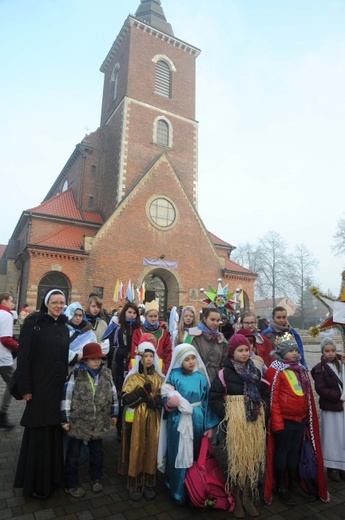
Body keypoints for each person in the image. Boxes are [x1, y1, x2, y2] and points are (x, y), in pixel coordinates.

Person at [14, 288, 69, 499]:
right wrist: (25, 387)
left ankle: (53, 478)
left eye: (61, 302)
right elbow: (24, 357)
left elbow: (63, 358)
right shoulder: (33, 324)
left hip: (56, 389)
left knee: (54, 430)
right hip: (38, 388)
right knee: (38, 432)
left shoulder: (64, 327)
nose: (58, 305)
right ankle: (35, 482)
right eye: (54, 302)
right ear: (46, 303)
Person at [264, 333, 328, 505]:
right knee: (282, 452)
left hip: (299, 419)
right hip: (284, 420)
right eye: (291, 350)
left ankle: (294, 483)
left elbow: (306, 395)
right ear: (282, 352)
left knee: (295, 452)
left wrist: (307, 416)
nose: (295, 353)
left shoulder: (300, 368)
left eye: (296, 350)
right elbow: (273, 400)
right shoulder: (275, 370)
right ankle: (281, 486)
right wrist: (277, 422)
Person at [209, 334, 269, 518]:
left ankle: (248, 496)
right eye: (240, 350)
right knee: (236, 460)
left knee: (251, 459)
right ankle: (236, 495)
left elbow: (265, 392)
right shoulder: (224, 373)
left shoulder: (255, 371)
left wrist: (264, 410)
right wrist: (227, 414)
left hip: (253, 422)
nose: (244, 353)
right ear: (232, 352)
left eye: (246, 350)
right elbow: (214, 397)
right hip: (236, 424)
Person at [158, 343, 218, 505]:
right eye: (187, 359)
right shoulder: (174, 376)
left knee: (196, 454)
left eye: (193, 358)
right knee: (177, 452)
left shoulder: (200, 378)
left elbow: (207, 403)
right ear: (179, 360)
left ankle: (194, 487)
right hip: (178, 422)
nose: (191, 362)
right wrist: (170, 403)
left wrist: (209, 426)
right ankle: (177, 489)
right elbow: (165, 396)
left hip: (197, 421)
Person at [61, 342, 118, 497]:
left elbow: (113, 394)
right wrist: (65, 420)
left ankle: (96, 478)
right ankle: (71, 483)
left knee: (97, 453)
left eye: (99, 358)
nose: (96, 361)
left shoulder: (106, 374)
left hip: (99, 422)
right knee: (73, 455)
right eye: (92, 358)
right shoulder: (76, 374)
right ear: (84, 360)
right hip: (78, 422)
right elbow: (67, 397)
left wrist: (114, 413)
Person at [119, 342, 164, 501]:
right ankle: (135, 483)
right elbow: (125, 399)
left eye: (151, 356)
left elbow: (164, 397)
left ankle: (150, 482)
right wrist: (142, 393)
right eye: (145, 356)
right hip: (136, 420)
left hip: (152, 419)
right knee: (136, 447)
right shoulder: (133, 377)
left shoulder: (159, 378)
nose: (149, 359)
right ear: (140, 358)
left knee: (152, 447)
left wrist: (157, 402)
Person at [311, 336, 345, 482]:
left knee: (343, 436)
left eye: (333, 350)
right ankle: (332, 466)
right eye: (327, 351)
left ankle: (343, 465)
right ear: (322, 352)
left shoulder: (342, 363)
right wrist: (340, 396)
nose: (330, 353)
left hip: (343, 407)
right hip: (332, 408)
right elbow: (321, 389)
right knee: (332, 437)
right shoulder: (319, 369)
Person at [109, 302, 141, 439]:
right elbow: (108, 348)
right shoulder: (116, 328)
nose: (132, 315)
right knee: (121, 396)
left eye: (134, 313)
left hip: (135, 367)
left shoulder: (139, 329)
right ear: (124, 313)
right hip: (120, 366)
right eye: (129, 312)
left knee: (134, 396)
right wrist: (124, 353)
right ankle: (120, 428)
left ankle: (132, 428)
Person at [185, 306, 227, 382]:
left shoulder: (221, 339)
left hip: (217, 379)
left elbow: (224, 362)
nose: (215, 323)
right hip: (198, 378)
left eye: (218, 320)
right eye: (212, 320)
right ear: (205, 319)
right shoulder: (194, 336)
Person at [131, 300, 172, 373]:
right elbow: (134, 352)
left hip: (160, 370)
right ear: (145, 316)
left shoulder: (164, 334)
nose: (153, 319)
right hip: (142, 370)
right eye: (150, 316)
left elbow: (168, 354)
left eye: (155, 316)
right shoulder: (138, 332)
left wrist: (165, 370)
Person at [0, 292, 19, 429]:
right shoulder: (6, 315)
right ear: (4, 301)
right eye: (11, 300)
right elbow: (5, 339)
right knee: (12, 384)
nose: (13, 303)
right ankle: (3, 414)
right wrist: (19, 347)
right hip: (3, 358)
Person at [64, 302, 97, 371]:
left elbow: (94, 348)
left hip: (84, 368)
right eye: (75, 315)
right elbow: (58, 349)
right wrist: (76, 357)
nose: (78, 318)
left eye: (80, 315)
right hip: (65, 368)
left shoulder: (89, 333)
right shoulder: (62, 330)